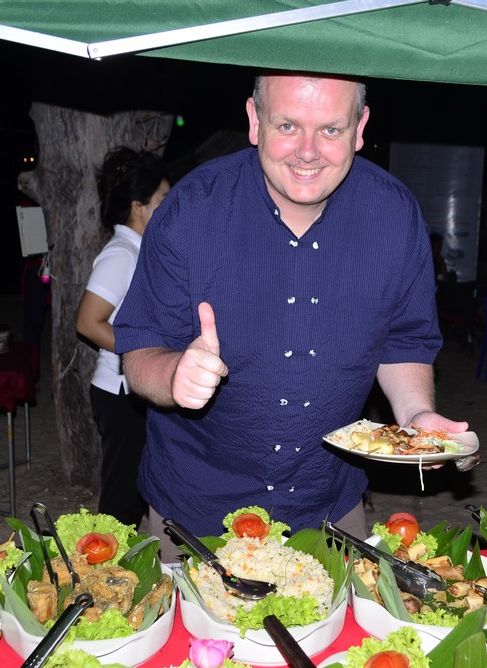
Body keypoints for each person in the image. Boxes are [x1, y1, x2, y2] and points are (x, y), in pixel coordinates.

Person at [113, 72, 467, 557]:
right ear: (254, 120)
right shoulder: (191, 209)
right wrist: (175, 373)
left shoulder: (394, 214)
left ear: (360, 128)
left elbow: (404, 341)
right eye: (287, 126)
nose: (307, 151)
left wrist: (416, 416)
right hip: (194, 512)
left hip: (329, 506)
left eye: (330, 129)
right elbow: (139, 353)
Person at [75, 148, 171, 527]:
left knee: (140, 488)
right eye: (163, 199)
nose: (170, 207)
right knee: (121, 502)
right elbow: (88, 322)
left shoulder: (141, 251)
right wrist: (145, 353)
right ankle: (105, 559)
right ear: (138, 206)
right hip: (119, 393)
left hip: (135, 389)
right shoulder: (121, 255)